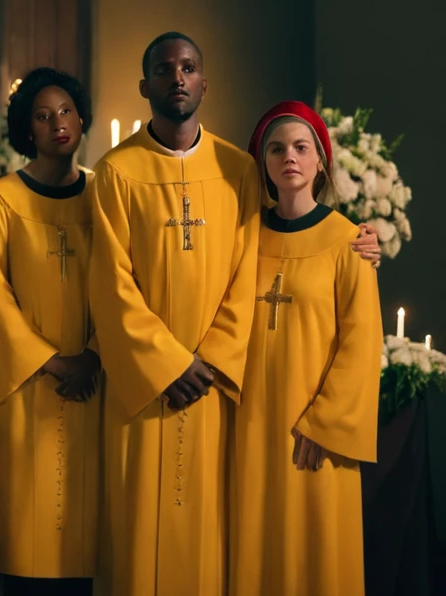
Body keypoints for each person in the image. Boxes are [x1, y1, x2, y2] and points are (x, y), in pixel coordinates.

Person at [87, 32, 379, 595]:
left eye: (189, 67)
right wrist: (167, 364)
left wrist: (214, 358)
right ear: (145, 83)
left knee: (224, 540)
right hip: (158, 387)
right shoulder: (117, 173)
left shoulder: (235, 172)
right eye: (165, 69)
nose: (177, 77)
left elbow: (247, 275)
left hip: (219, 389)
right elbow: (110, 282)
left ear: (204, 81)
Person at [231, 102, 382, 596]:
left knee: (315, 557)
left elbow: (361, 342)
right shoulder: (242, 239)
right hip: (250, 425)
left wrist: (325, 423)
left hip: (314, 432)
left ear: (321, 161)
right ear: (264, 163)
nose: (289, 157)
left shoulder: (348, 241)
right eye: (277, 148)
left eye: (301, 147)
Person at [0, 68, 102, 595]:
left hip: (93, 380)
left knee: (85, 531)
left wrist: (92, 353)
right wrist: (54, 362)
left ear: (81, 117)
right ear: (27, 130)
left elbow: (126, 280)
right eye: (43, 117)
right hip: (28, 384)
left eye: (66, 111)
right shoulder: (4, 198)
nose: (58, 124)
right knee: (26, 529)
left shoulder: (102, 193)